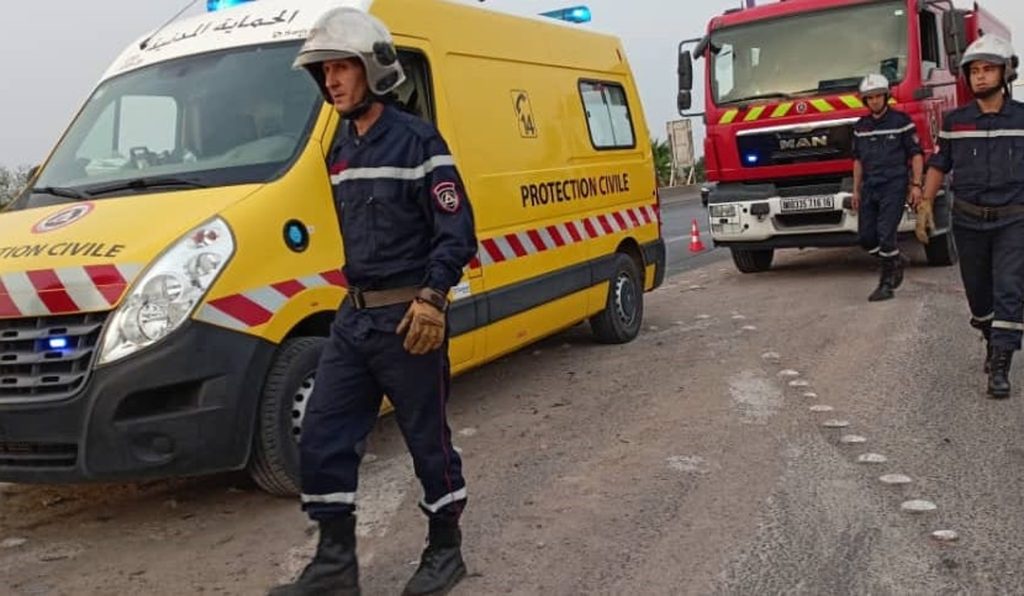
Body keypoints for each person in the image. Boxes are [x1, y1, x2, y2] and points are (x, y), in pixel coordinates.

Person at [270, 7, 477, 595]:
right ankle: (335, 564)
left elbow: (457, 229)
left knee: (427, 440)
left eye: (342, 67)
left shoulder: (418, 140)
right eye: (325, 70)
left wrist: (435, 298)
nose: (331, 80)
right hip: (354, 318)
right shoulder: (337, 147)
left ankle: (446, 549)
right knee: (322, 434)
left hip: (410, 319)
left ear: (373, 69)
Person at [917, 35, 1024, 399]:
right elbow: (938, 162)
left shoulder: (1023, 118)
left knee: (1010, 288)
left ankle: (1001, 364)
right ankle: (990, 335)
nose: (980, 77)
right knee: (979, 296)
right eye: (974, 71)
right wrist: (926, 204)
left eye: (988, 69)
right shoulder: (954, 121)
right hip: (968, 220)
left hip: (1014, 219)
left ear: (1006, 72)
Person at [851, 73, 924, 301]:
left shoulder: (901, 122)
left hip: (894, 184)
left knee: (885, 234)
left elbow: (916, 155)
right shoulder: (860, 127)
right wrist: (856, 190)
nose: (874, 101)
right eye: (869, 97)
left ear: (886, 96)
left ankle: (887, 284)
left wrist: (916, 185)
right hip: (870, 186)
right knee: (866, 238)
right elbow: (857, 161)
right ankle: (896, 260)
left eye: (878, 96)